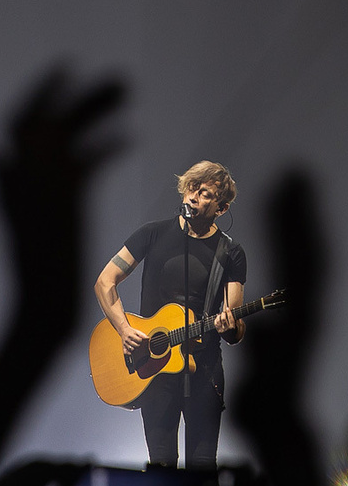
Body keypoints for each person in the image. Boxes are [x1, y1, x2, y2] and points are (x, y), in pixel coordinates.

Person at [95, 161, 248, 470]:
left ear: (222, 207)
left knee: (203, 471)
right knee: (162, 469)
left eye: (205, 193)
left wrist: (229, 326)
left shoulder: (230, 253)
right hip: (154, 370)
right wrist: (124, 330)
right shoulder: (152, 234)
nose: (193, 196)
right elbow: (104, 281)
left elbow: (236, 326)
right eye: (192, 188)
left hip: (204, 371)